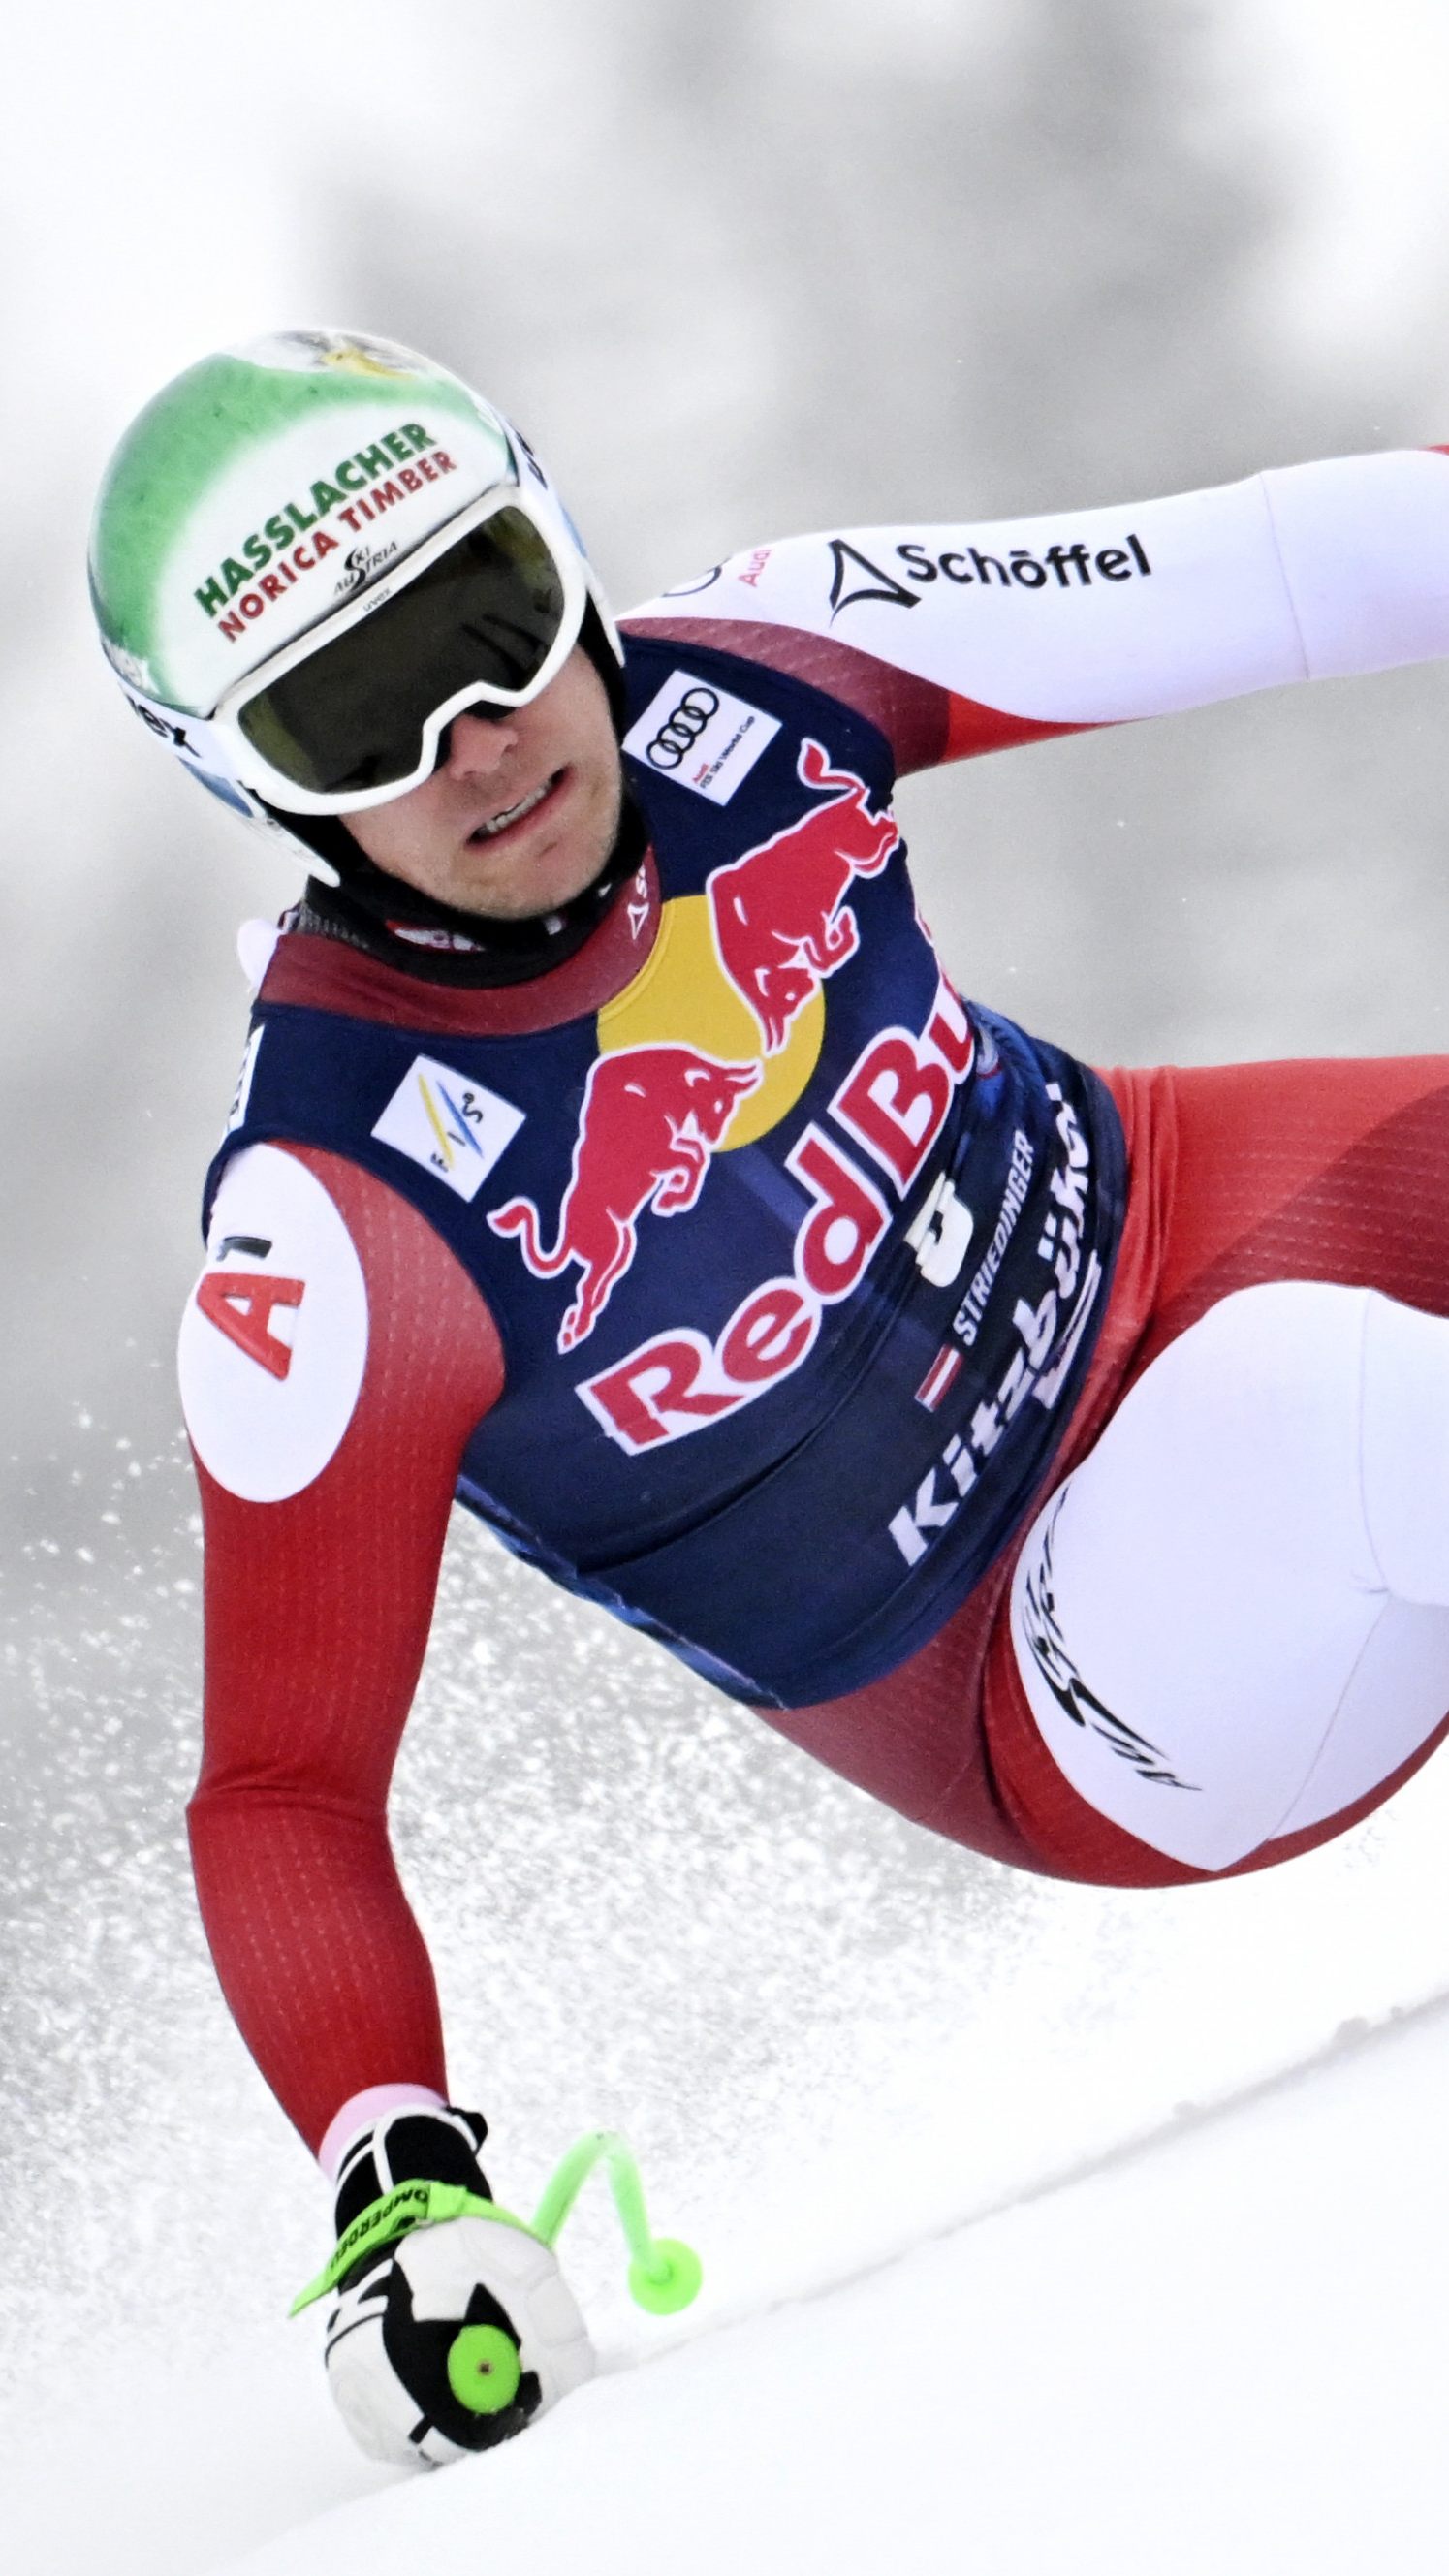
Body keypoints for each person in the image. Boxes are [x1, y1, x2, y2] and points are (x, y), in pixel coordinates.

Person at [91, 327, 1449, 2467]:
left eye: (490, 614)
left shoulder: (774, 666)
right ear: (251, 779)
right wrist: (398, 2174)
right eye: (360, 712)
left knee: (1340, 1373)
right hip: (1069, 1681)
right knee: (1342, 1402)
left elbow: (1311, 568)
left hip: (1184, 1216)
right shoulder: (335, 1221)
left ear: (561, 545)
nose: (479, 736)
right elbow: (281, 1792)